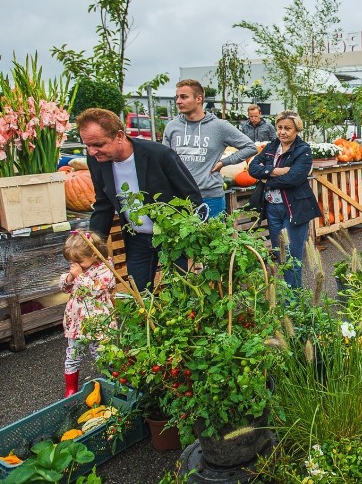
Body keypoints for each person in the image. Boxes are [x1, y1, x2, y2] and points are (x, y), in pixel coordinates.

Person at [77, 108, 202, 291]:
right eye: (87, 145)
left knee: (179, 292)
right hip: (136, 238)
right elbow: (103, 203)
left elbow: (191, 195)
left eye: (98, 144)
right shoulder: (97, 161)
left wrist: (189, 233)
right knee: (139, 293)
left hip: (171, 236)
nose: (92, 151)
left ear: (119, 136)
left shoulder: (159, 155)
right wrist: (92, 242)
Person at [248, 110, 321, 290]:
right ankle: (286, 297)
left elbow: (294, 178)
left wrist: (267, 178)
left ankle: (293, 301)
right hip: (273, 209)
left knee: (292, 257)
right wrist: (277, 171)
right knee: (280, 255)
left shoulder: (303, 150)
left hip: (293, 208)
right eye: (279, 127)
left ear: (297, 129)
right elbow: (253, 168)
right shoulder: (272, 146)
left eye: (287, 128)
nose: (282, 132)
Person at [163, 79, 257, 218]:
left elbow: (250, 147)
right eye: (177, 97)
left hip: (210, 198)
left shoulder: (219, 127)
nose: (178, 101)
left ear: (199, 99)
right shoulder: (172, 127)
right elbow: (165, 159)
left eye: (184, 97)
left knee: (212, 239)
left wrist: (224, 162)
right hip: (179, 197)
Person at [60, 231, 116, 397]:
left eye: (79, 262)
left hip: (98, 322)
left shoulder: (106, 269)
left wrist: (79, 277)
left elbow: (95, 290)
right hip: (77, 323)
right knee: (73, 354)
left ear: (93, 254)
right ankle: (71, 388)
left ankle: (113, 382)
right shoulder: (77, 270)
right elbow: (64, 288)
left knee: (102, 355)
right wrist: (70, 277)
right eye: (72, 263)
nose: (76, 265)